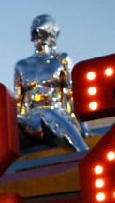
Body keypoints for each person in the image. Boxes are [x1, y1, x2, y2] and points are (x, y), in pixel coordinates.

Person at [13, 14, 89, 151]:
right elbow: (19, 103)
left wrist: (83, 126)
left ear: (51, 34)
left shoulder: (61, 60)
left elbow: (71, 94)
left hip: (60, 117)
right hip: (33, 122)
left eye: (42, 33)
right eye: (35, 33)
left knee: (45, 112)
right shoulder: (21, 65)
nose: (38, 38)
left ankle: (83, 150)